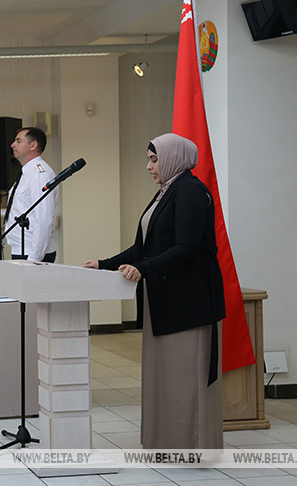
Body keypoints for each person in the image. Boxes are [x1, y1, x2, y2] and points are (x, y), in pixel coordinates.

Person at [82, 133, 225, 450]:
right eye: (149, 158)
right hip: (166, 301)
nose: (148, 166)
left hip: (190, 303)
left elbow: (187, 248)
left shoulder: (190, 191)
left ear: (174, 158)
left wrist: (144, 269)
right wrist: (104, 264)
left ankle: (192, 447)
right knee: (167, 379)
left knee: (186, 379)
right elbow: (143, 247)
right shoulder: (167, 192)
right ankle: (166, 443)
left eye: (154, 159)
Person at [4, 127, 58, 262]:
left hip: (32, 252)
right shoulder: (27, 172)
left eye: (18, 141)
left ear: (33, 145)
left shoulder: (40, 174)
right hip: (22, 248)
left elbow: (44, 219)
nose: (12, 145)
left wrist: (34, 259)